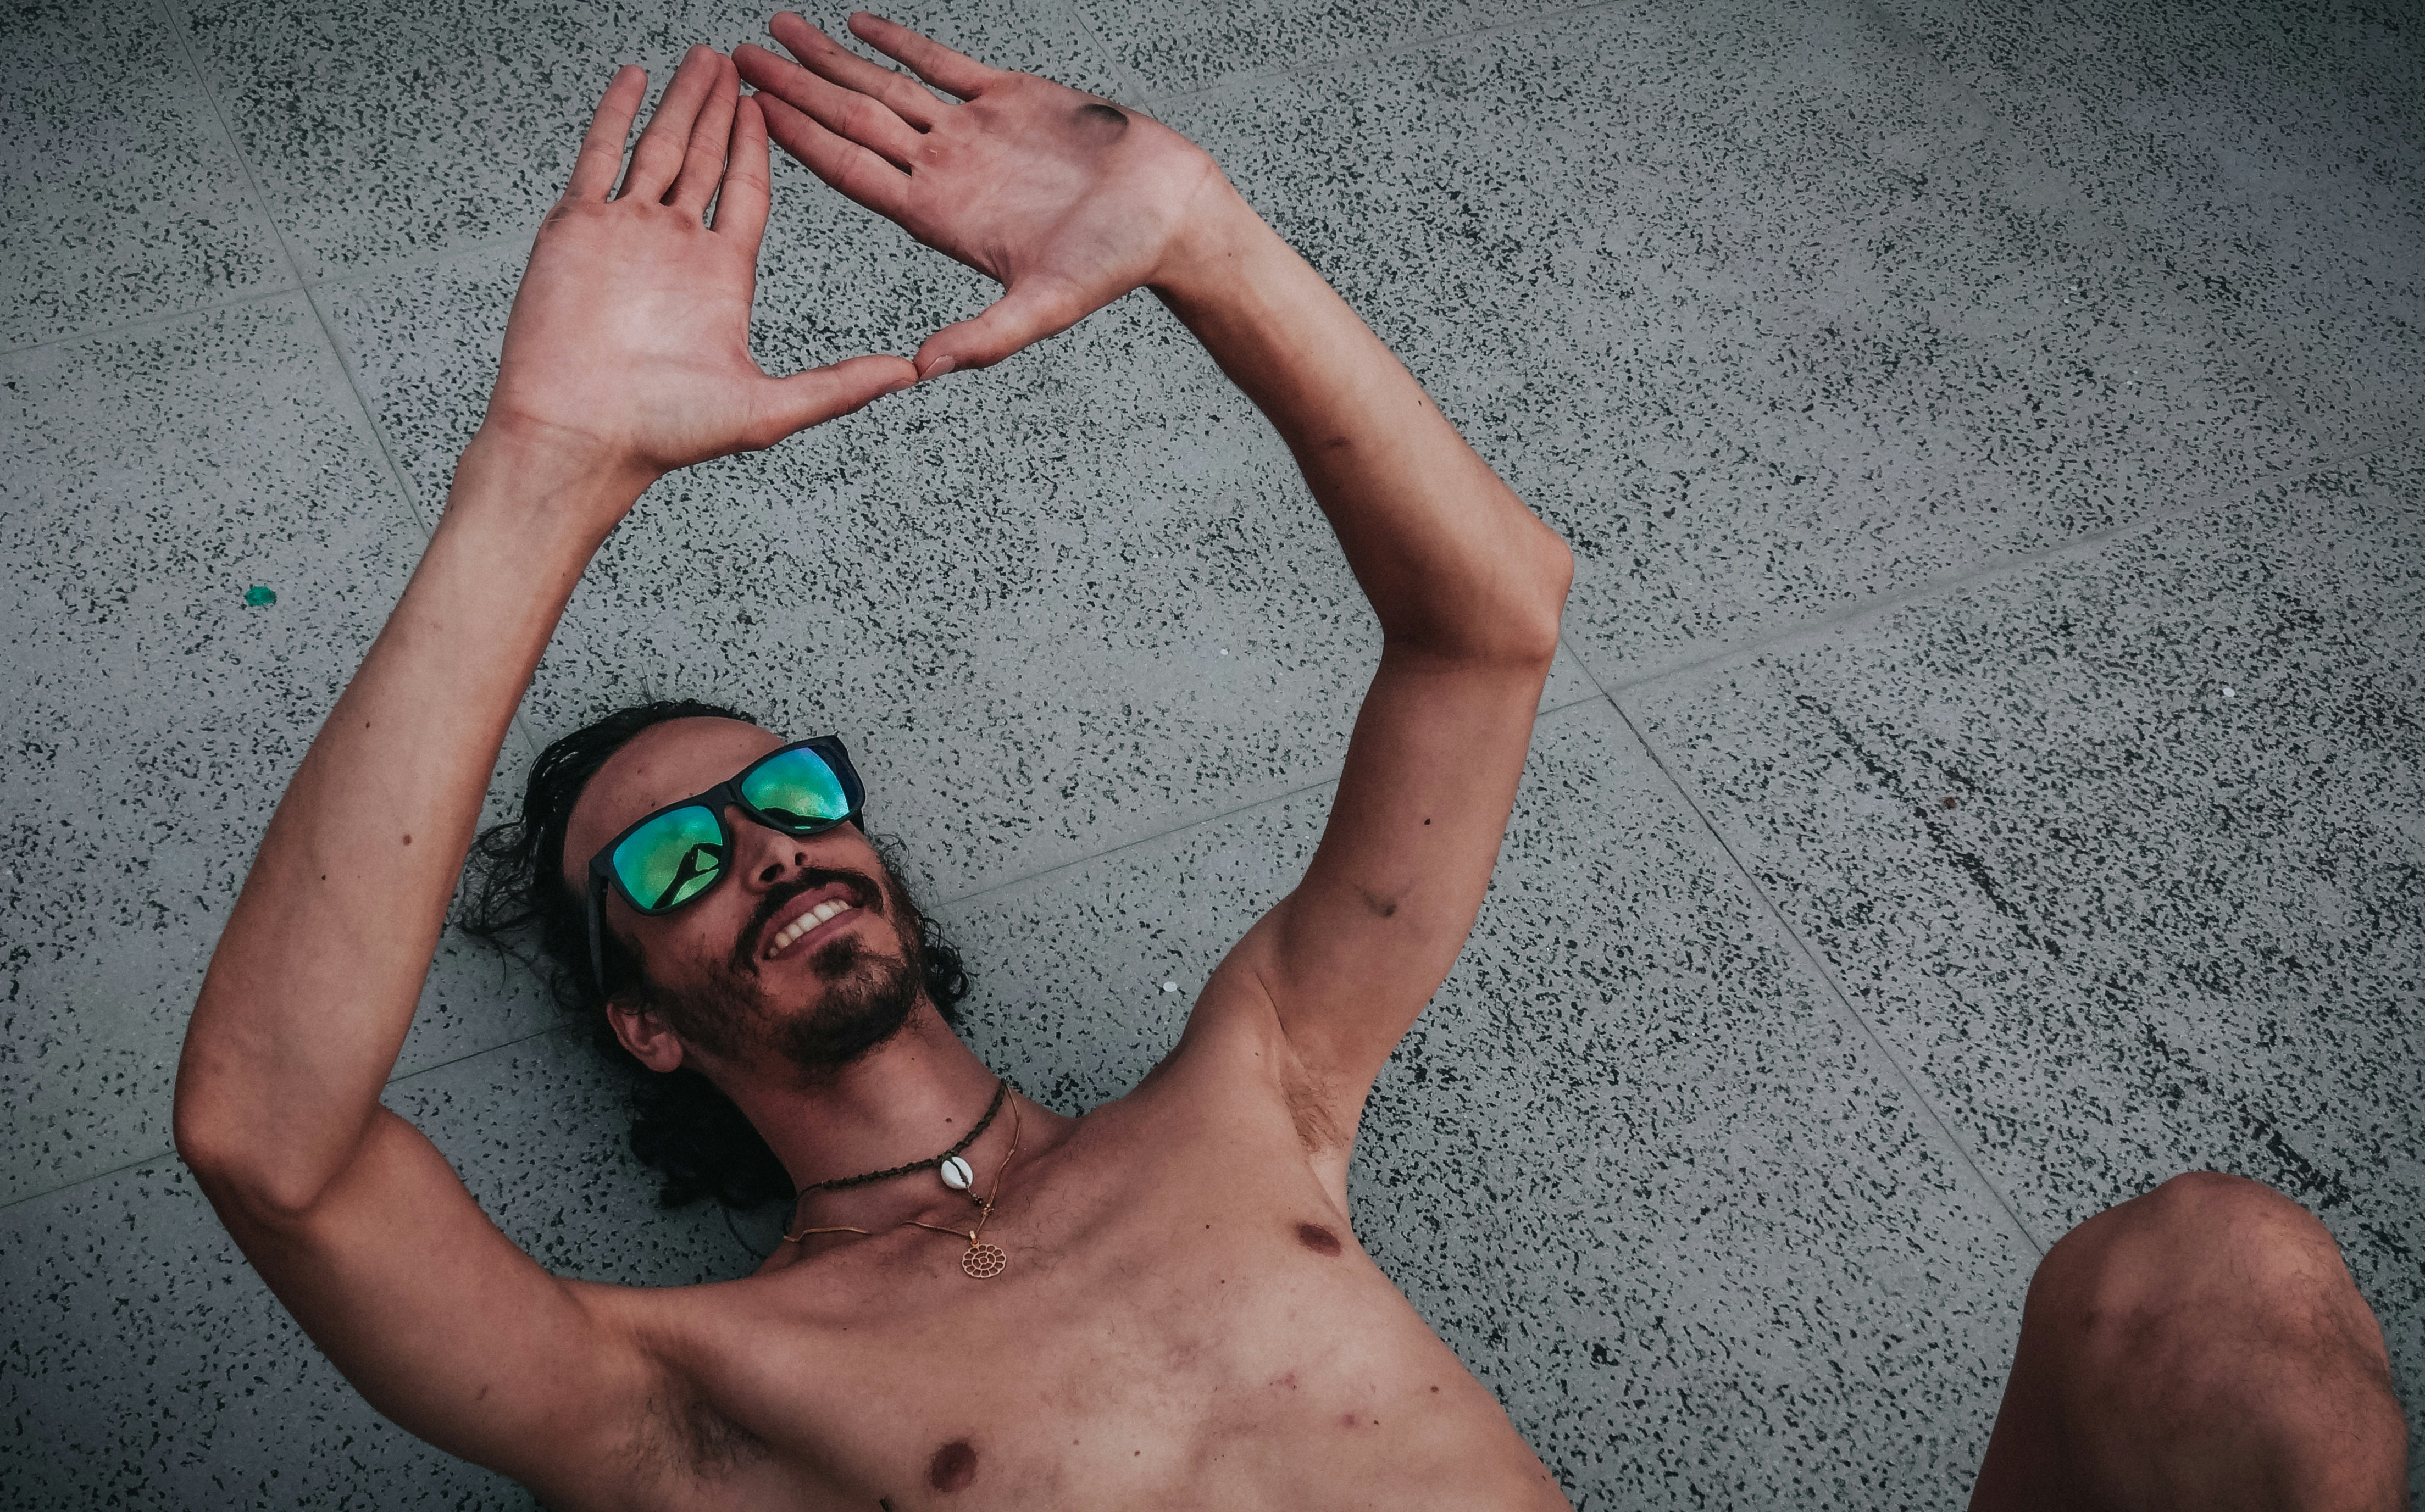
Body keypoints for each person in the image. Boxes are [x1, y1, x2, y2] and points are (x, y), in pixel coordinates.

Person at [170, 14, 2406, 1509]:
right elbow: (272, 1148)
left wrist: (1206, 248)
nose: (763, 845)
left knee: (2207, 1274)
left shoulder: (1254, 1096)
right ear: (641, 1021)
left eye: (795, 797)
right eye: (670, 859)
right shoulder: (692, 1395)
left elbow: (1491, 624)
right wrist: (548, 469)